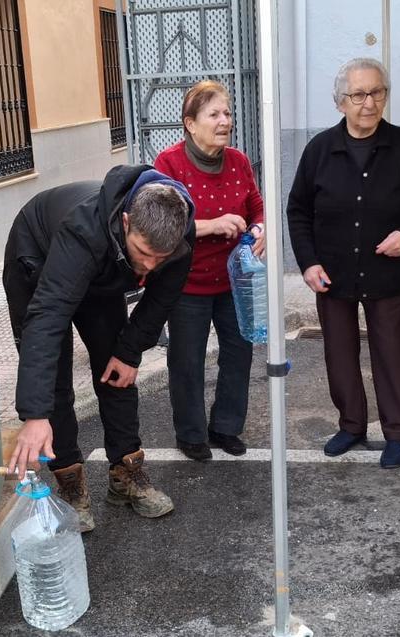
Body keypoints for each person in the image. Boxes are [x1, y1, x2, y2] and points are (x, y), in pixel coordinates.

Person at [3, 165, 195, 532]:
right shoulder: (84, 230)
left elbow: (163, 297)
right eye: (144, 253)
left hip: (105, 269)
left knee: (116, 369)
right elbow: (47, 316)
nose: (149, 267)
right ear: (126, 222)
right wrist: (35, 413)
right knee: (55, 382)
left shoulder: (180, 229)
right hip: (37, 258)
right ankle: (70, 483)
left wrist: (130, 351)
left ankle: (126, 473)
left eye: (161, 258)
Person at [286, 58, 400, 468]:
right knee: (339, 355)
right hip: (332, 274)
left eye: (377, 92)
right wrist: (308, 263)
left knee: (391, 353)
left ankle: (398, 431)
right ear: (340, 101)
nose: (369, 102)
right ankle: (351, 425)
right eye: (358, 94)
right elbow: (298, 210)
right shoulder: (319, 149)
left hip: (384, 271)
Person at [153, 80, 264, 461]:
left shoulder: (239, 161)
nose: (224, 121)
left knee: (239, 354)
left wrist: (261, 229)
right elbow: (162, 224)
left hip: (235, 282)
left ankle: (226, 427)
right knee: (187, 361)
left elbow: (256, 207)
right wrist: (213, 225)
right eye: (214, 114)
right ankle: (191, 433)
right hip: (187, 284)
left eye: (227, 113)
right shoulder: (169, 164)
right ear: (190, 123)